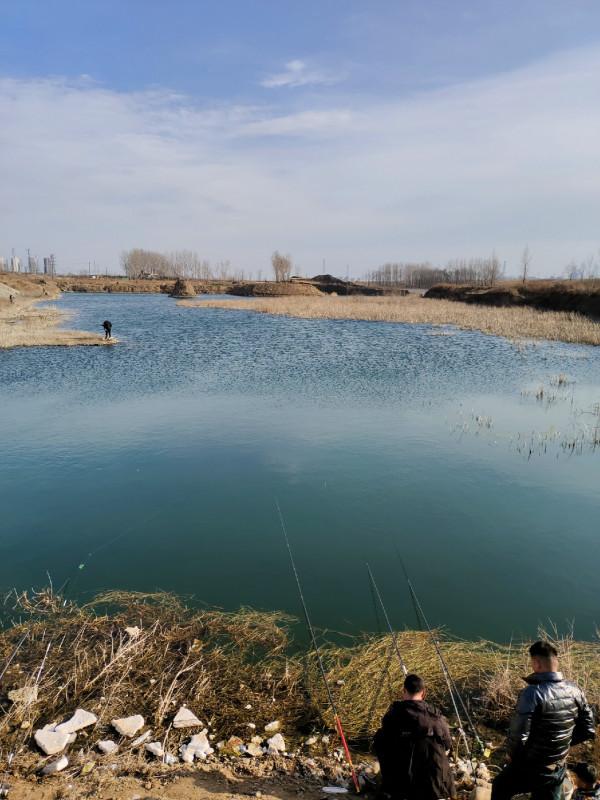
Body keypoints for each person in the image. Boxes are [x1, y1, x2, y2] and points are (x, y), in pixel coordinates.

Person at [492, 640, 595, 800]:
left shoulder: (532, 693)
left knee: (500, 785)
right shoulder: (575, 690)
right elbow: (588, 729)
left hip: (534, 769)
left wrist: (513, 757)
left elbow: (518, 737)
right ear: (555, 661)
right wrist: (562, 746)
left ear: (537, 663)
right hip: (558, 768)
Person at [373, 673, 455, 800]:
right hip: (434, 785)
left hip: (400, 784)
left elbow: (380, 745)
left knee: (380, 739)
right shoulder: (437, 718)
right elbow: (448, 745)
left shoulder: (393, 716)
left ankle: (391, 786)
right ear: (423, 693)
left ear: (404, 691)